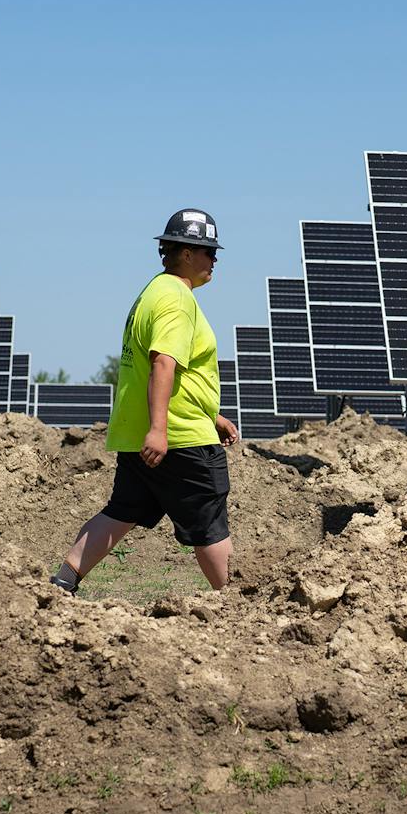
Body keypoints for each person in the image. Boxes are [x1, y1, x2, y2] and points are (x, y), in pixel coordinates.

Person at [51, 209, 241, 595]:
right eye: (208, 252)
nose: (215, 260)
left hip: (145, 434)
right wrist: (160, 429)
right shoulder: (176, 300)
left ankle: (63, 581)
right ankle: (238, 603)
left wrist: (212, 415)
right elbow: (163, 363)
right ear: (186, 253)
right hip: (179, 438)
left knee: (122, 511)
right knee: (210, 524)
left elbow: (162, 372)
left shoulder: (152, 292)